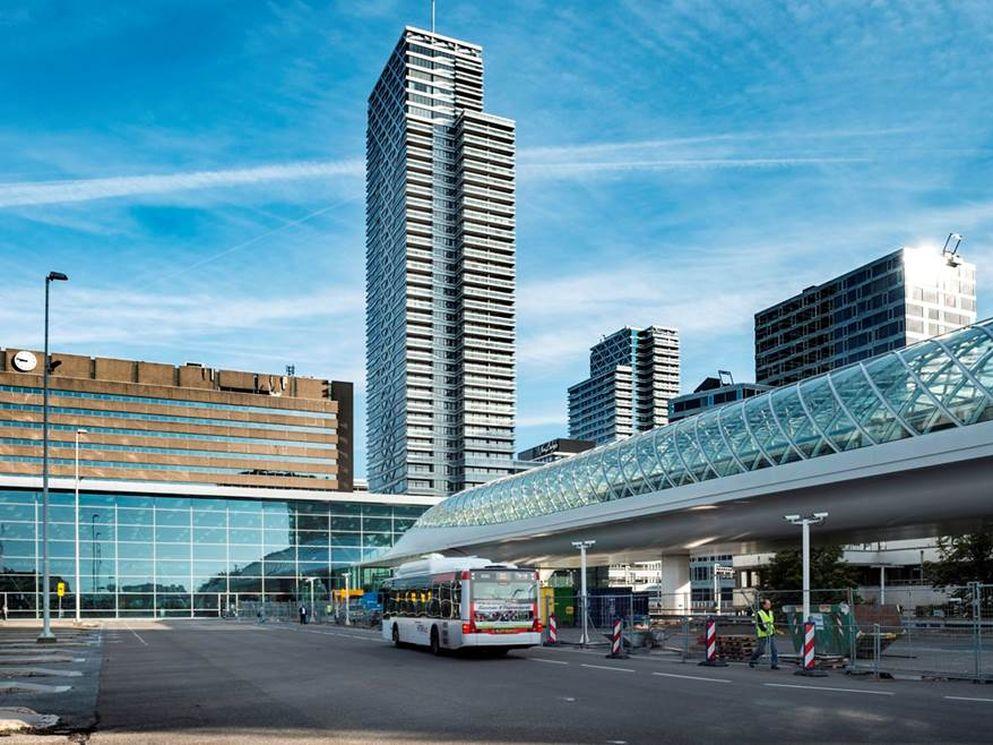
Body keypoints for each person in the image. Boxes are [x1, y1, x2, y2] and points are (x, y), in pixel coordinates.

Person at [749, 598, 779, 669]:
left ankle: (774, 664)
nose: (769, 605)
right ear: (764, 605)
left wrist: (774, 630)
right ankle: (752, 660)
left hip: (771, 633)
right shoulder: (759, 613)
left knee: (774, 649)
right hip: (762, 634)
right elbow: (760, 624)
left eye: (770, 604)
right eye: (768, 604)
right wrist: (765, 630)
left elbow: (772, 622)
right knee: (761, 650)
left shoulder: (771, 613)